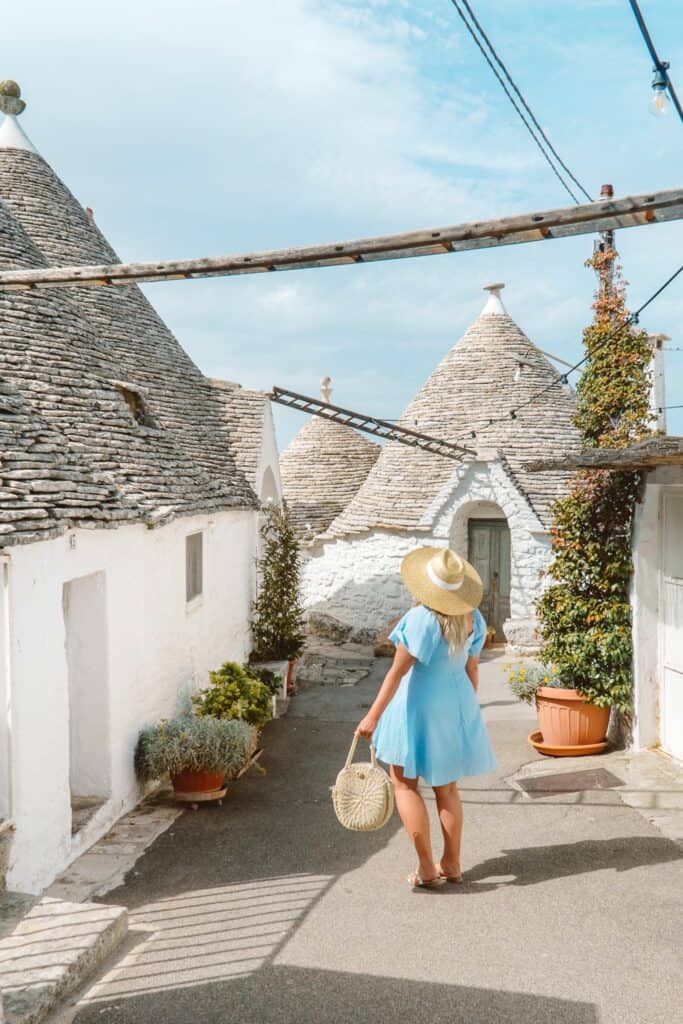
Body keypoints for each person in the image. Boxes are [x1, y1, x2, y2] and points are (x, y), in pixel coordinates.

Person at [356, 546, 497, 890]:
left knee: (404, 783)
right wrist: (464, 707)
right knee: (447, 787)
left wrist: (372, 717)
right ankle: (452, 863)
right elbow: (472, 668)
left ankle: (426, 868)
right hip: (456, 700)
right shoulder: (473, 617)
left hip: (418, 704)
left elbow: (396, 674)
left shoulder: (420, 619)